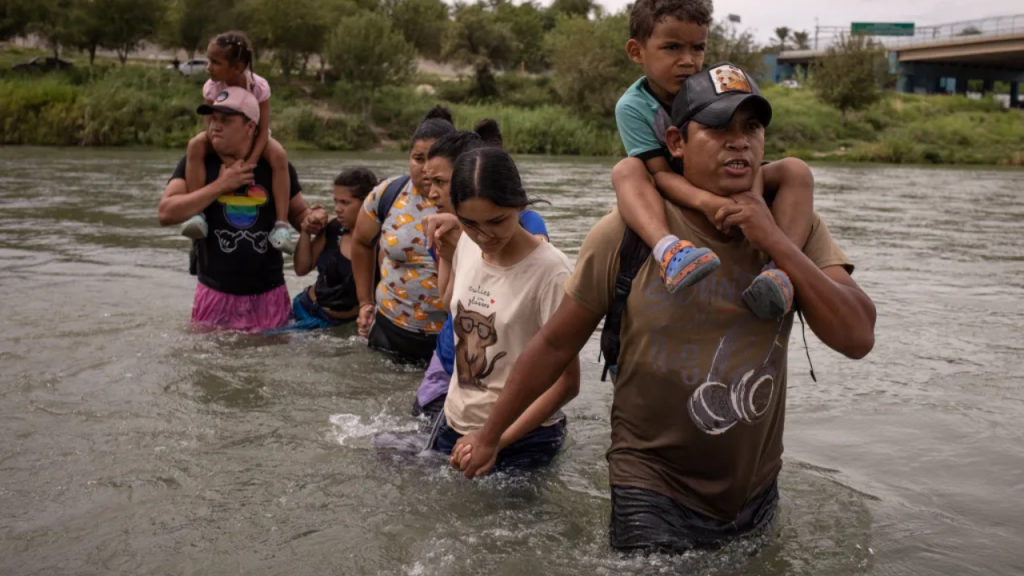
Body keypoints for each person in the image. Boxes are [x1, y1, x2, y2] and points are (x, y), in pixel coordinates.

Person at [451, 65, 877, 554]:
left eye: (752, 129)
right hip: (649, 486)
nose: (739, 143)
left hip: (755, 487)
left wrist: (778, 245)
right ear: (676, 141)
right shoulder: (629, 233)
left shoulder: (794, 225)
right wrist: (489, 435)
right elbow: (554, 343)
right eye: (718, 129)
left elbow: (857, 338)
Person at [613, 0, 814, 320]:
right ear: (637, 52)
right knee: (627, 170)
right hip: (677, 183)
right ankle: (668, 250)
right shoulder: (633, 106)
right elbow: (661, 176)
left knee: (795, 169)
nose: (688, 61)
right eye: (672, 47)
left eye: (698, 48)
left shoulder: (713, 86)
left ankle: (780, 273)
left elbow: (747, 147)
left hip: (725, 173)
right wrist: (709, 204)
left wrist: (752, 198)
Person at [433, 147, 579, 471]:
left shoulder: (551, 272)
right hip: (456, 421)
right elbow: (450, 306)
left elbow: (567, 384)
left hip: (523, 438)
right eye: (470, 223)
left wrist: (494, 440)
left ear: (520, 205)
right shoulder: (467, 245)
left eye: (496, 221)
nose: (484, 236)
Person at [412, 121, 550, 421]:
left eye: (440, 182)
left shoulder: (521, 225)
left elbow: (533, 264)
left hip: (493, 376)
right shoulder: (449, 228)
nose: (432, 193)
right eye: (429, 182)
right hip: (450, 363)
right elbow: (448, 301)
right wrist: (449, 253)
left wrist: (466, 232)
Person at [157, 87, 310, 332]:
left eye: (226, 120)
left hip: (269, 296)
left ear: (250, 127)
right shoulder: (197, 163)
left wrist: (319, 219)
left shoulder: (274, 165)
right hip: (213, 294)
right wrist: (221, 185)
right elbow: (166, 213)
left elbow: (300, 215)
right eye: (213, 119)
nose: (215, 126)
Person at [351, 106, 455, 364]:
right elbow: (362, 242)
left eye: (434, 160)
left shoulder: (469, 199)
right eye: (418, 158)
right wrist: (365, 303)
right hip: (389, 330)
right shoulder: (387, 194)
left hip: (449, 339)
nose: (426, 169)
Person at [179, 31, 295, 254]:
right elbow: (209, 126)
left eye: (215, 62)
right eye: (208, 60)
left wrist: (249, 162)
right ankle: (197, 215)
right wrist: (224, 157)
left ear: (238, 66)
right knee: (195, 144)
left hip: (253, 136)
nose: (208, 67)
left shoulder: (258, 87)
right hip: (220, 135)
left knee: (279, 155)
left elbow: (261, 130)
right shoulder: (212, 88)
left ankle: (281, 225)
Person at [287, 168, 380, 331]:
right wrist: (305, 231)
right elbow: (301, 269)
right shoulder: (333, 228)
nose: (337, 208)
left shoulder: (382, 242)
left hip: (342, 324)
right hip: (307, 309)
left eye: (345, 202)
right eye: (335, 201)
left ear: (368, 202)